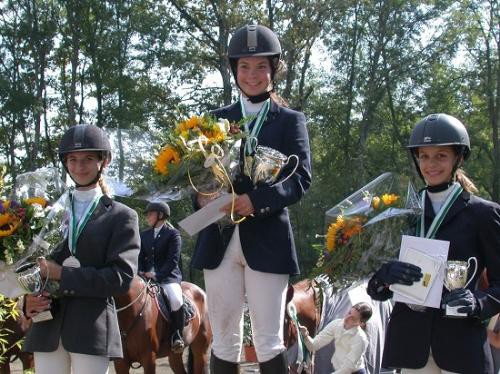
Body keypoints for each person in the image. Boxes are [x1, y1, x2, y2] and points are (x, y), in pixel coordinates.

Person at [191, 24, 312, 373]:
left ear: (273, 70)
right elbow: (195, 179)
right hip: (219, 238)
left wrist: (256, 201)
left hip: (268, 238)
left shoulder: (290, 121)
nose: (252, 75)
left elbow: (301, 179)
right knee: (224, 337)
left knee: (267, 338)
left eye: (261, 67)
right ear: (234, 70)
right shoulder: (214, 120)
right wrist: (201, 197)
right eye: (244, 66)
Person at [367, 113, 500, 374]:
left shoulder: (484, 214)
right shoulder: (399, 213)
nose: (431, 164)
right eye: (424, 156)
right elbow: (376, 290)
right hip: (411, 346)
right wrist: (383, 277)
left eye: (441, 155)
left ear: (458, 158)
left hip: (461, 345)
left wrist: (478, 303)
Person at [22, 124, 140, 374]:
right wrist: (27, 301)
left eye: (88, 159)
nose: (79, 166)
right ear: (65, 163)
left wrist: (62, 274)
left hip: (92, 327)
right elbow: (32, 265)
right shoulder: (47, 212)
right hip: (47, 324)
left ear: (103, 161)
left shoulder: (122, 216)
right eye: (73, 160)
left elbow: (121, 279)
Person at [138, 201, 185, 353]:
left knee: (176, 299)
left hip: (168, 277)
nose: (147, 217)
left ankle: (177, 335)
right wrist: (140, 272)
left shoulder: (173, 234)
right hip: (145, 277)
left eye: (150, 214)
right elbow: (140, 257)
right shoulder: (144, 235)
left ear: (160, 215)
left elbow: (173, 260)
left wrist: (158, 275)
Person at [299, 302, 373, 374]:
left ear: (361, 323)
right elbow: (313, 345)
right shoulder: (336, 324)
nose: (347, 318)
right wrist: (305, 335)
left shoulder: (360, 339)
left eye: (353, 318)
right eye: (349, 313)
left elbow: (347, 369)